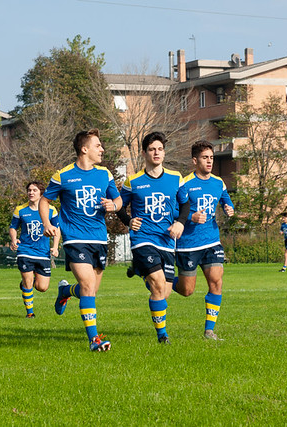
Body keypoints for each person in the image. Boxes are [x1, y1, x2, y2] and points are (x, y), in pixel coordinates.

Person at [40, 129, 121, 352]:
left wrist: (114, 206)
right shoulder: (63, 175)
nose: (102, 149)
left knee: (90, 290)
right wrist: (47, 223)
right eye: (98, 145)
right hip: (74, 238)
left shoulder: (105, 174)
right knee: (87, 286)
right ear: (84, 149)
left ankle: (65, 292)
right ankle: (94, 340)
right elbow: (45, 201)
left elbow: (119, 199)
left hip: (98, 238)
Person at [118, 131, 190, 344]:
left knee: (165, 293)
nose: (156, 153)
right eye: (152, 149)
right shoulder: (133, 181)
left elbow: (185, 204)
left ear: (164, 152)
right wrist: (128, 221)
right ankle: (162, 336)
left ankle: (140, 270)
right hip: (143, 238)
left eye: (160, 149)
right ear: (144, 153)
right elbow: (119, 205)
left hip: (167, 240)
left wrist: (180, 223)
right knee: (158, 285)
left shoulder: (176, 178)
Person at [174, 140, 234, 340]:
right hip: (188, 244)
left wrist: (228, 207)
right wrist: (191, 217)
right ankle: (160, 282)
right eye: (205, 158)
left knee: (216, 281)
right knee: (186, 290)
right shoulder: (184, 184)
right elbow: (173, 210)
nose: (209, 162)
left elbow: (225, 197)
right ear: (194, 160)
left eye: (211, 158)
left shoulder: (218, 182)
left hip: (211, 241)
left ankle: (209, 331)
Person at [10, 181, 59, 318]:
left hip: (43, 253)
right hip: (25, 250)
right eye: (29, 190)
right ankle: (30, 312)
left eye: (34, 190)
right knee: (28, 282)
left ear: (41, 193)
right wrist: (14, 239)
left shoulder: (51, 210)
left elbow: (57, 229)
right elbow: (13, 227)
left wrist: (55, 247)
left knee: (42, 287)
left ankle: (27, 281)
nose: (31, 193)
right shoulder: (20, 209)